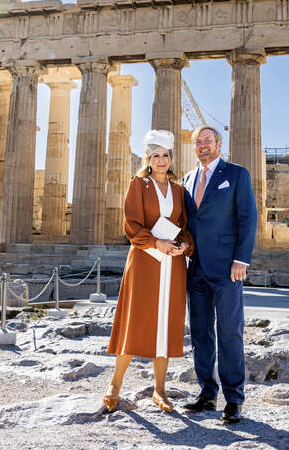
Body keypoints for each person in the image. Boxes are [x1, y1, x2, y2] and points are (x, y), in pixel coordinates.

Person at [103, 130, 194, 414]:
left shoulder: (180, 190)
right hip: (144, 260)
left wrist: (183, 246)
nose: (161, 160)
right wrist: (157, 242)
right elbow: (131, 225)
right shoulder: (138, 184)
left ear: (171, 158)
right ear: (149, 158)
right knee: (136, 319)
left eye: (166, 155)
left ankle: (160, 389)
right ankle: (114, 385)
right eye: (156, 155)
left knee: (166, 324)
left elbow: (187, 228)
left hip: (173, 264)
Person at [181, 125, 257, 424]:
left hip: (228, 267)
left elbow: (247, 218)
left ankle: (234, 399)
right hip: (195, 267)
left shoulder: (236, 174)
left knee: (229, 332)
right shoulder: (187, 179)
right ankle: (207, 394)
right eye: (198, 142)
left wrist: (241, 259)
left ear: (219, 143)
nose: (203, 146)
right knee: (200, 334)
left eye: (207, 141)